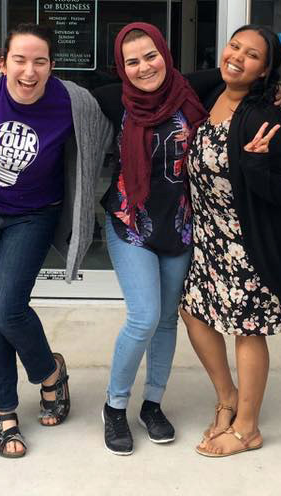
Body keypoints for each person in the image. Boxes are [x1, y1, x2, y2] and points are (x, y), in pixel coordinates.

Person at [0, 23, 111, 458]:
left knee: (5, 307)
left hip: (33, 216)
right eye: (19, 60)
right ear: (2, 62)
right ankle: (8, 409)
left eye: (40, 61)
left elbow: (122, 115)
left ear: (52, 66)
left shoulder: (73, 101)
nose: (29, 71)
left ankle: (45, 377)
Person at [180, 24, 281, 457]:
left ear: (265, 69)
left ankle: (247, 427)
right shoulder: (210, 93)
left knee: (247, 329)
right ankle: (227, 397)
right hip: (209, 237)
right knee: (195, 313)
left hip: (248, 241)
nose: (237, 57)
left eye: (252, 55)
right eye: (234, 46)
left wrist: (253, 164)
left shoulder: (264, 116)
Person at [91, 23, 212, 455]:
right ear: (120, 68)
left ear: (165, 52)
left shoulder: (193, 92)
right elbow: (53, 90)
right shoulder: (112, 99)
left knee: (165, 319)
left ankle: (153, 404)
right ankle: (115, 406)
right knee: (144, 316)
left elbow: (245, 75)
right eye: (132, 61)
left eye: (150, 56)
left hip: (179, 226)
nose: (144, 67)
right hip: (131, 221)